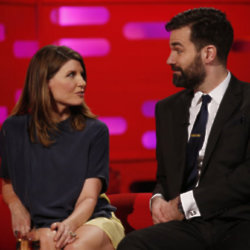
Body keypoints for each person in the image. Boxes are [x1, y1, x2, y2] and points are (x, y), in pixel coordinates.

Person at [118, 7, 250, 250]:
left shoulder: (247, 101)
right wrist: (157, 199)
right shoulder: (168, 110)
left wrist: (184, 203)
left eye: (178, 49)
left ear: (208, 53)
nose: (170, 59)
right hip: (189, 227)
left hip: (239, 223)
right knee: (132, 245)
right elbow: (166, 178)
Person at [0, 45, 124, 250]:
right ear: (45, 82)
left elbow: (89, 197)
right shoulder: (13, 129)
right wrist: (16, 207)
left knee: (72, 247)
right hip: (43, 227)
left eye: (82, 75)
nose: (82, 82)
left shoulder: (95, 130)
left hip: (90, 221)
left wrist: (68, 226)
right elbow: (8, 183)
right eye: (71, 75)